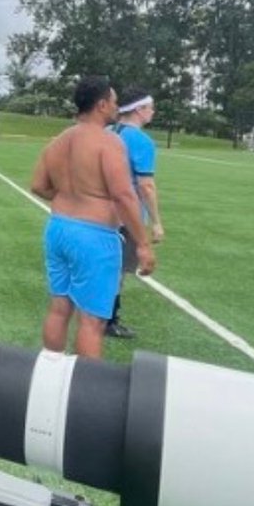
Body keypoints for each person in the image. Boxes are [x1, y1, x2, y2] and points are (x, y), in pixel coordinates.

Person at [30, 75, 156, 358]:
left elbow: (38, 185)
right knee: (92, 320)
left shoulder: (59, 140)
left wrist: (70, 199)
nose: (116, 107)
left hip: (59, 229)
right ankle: (86, 393)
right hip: (94, 236)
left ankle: (50, 375)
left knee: (59, 308)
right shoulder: (108, 142)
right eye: (113, 101)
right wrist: (143, 244)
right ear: (101, 105)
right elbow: (124, 195)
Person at [105, 88, 164, 340]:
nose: (153, 111)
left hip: (94, 211)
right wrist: (156, 222)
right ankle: (109, 319)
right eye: (150, 107)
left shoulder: (105, 133)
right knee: (117, 270)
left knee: (102, 265)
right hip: (123, 215)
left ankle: (94, 312)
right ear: (139, 109)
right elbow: (145, 185)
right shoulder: (141, 141)